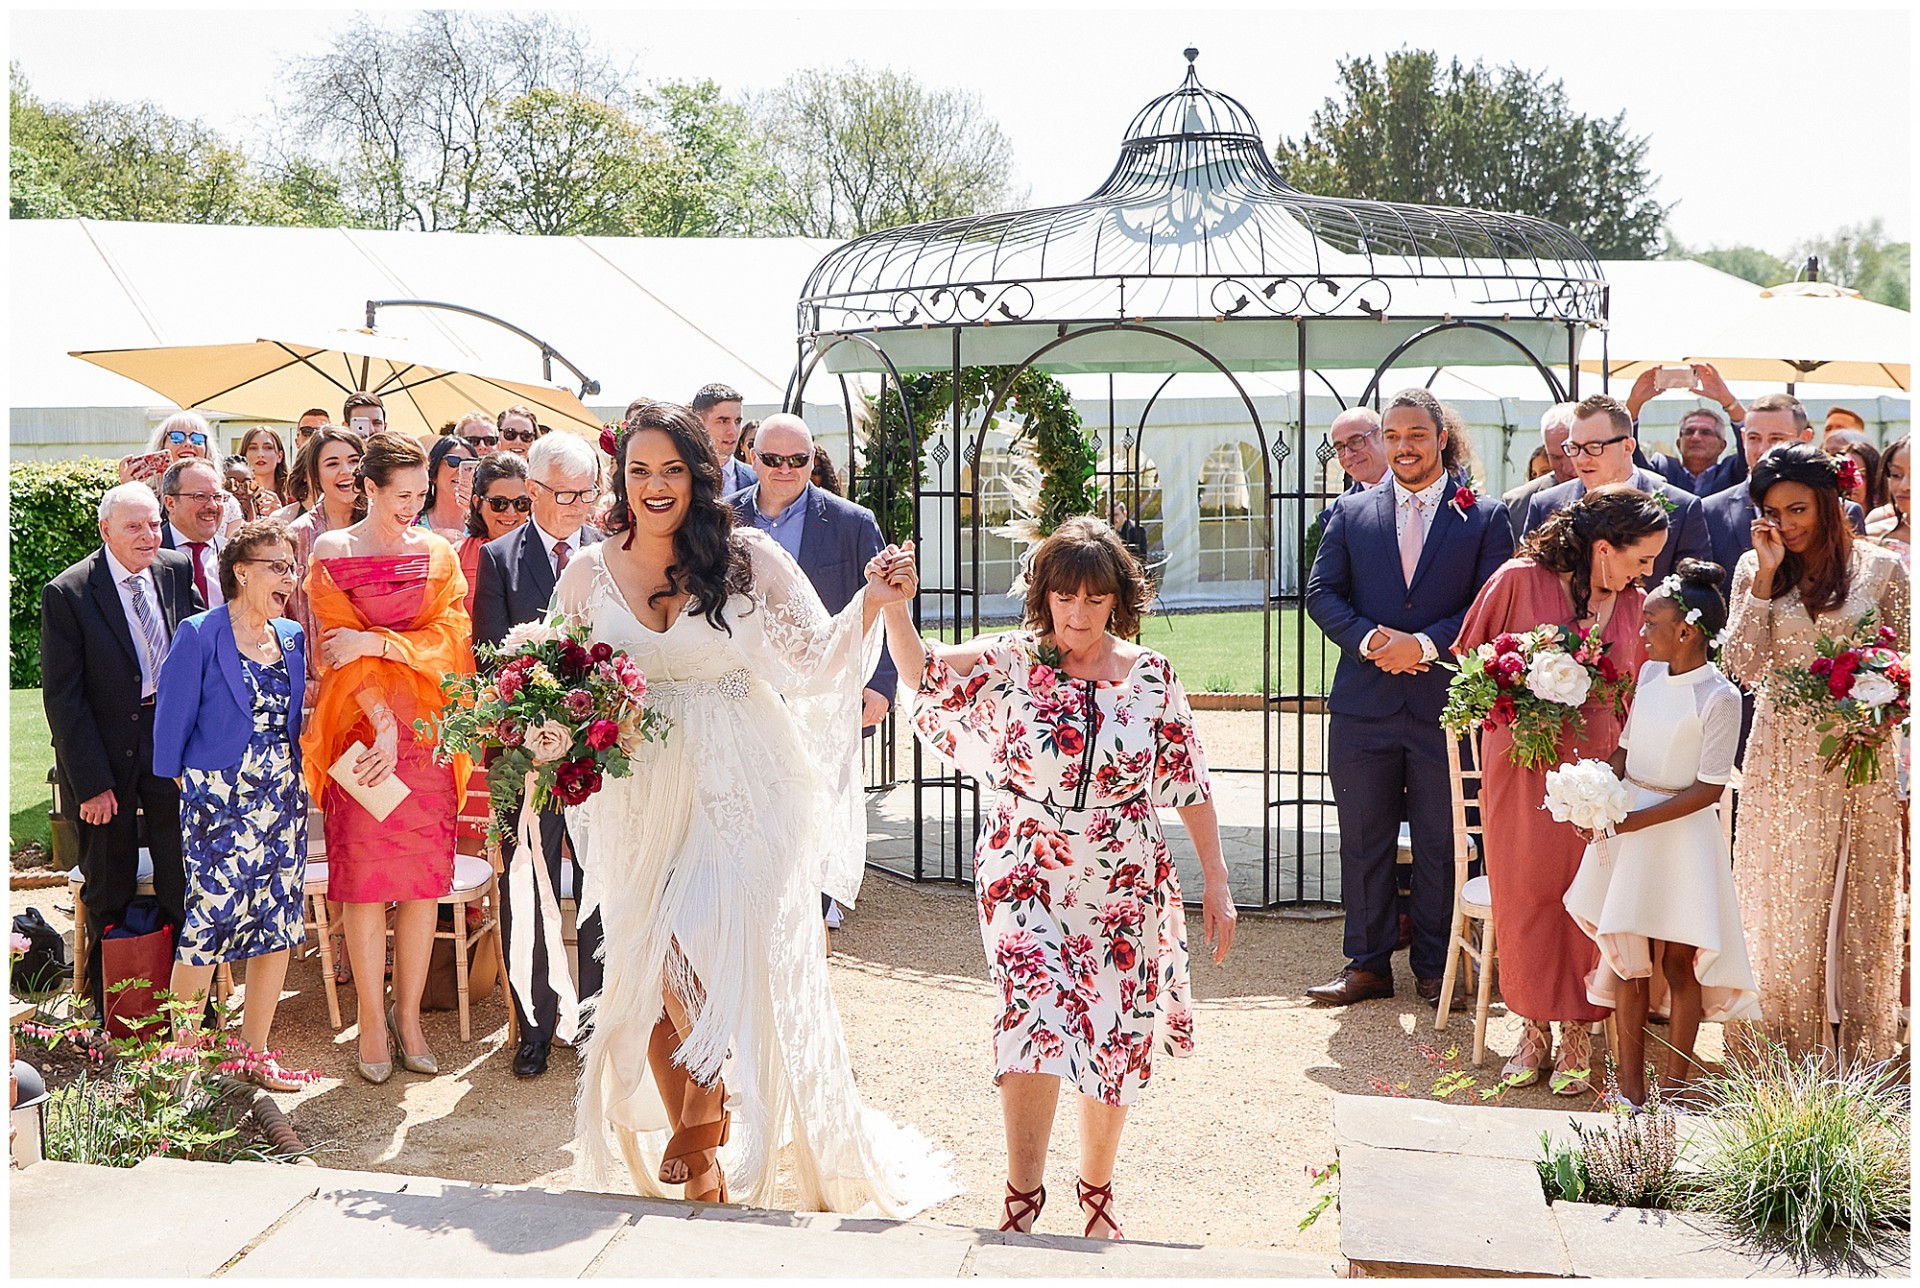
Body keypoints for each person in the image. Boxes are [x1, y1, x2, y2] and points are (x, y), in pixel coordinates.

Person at [557, 401, 955, 1215]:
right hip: (642, 789)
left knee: (687, 942)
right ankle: (704, 1172)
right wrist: (544, 727)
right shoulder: (588, 571)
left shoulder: (747, 557)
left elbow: (813, 661)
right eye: (639, 471)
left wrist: (874, 604)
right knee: (657, 969)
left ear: (699, 476)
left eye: (671, 469)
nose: (655, 486)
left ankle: (704, 1128)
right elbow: (555, 679)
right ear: (619, 479)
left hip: (745, 779)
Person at [882, 516, 1233, 1238]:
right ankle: (1022, 1195)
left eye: (1093, 600)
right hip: (1023, 861)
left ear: (1118, 602)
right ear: (1043, 596)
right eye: (1064, 597)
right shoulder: (1013, 659)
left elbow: (1189, 782)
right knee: (1033, 1016)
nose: (1076, 614)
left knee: (1113, 1031)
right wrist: (894, 606)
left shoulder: (1151, 677)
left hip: (1122, 873)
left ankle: (1097, 1191)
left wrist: (1218, 881)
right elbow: (921, 673)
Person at [1304, 388, 1514, 1007]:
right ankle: (1365, 965)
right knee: (1362, 837)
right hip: (1363, 705)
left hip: (1443, 707)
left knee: (1441, 840)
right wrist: (1371, 640)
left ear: (1441, 438)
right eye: (1392, 436)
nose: (1403, 447)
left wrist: (1423, 645)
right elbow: (1321, 593)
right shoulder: (1350, 512)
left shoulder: (1484, 516)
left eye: (1415, 435)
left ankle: (1433, 965)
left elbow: (1489, 606)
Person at [1456, 486, 1668, 1093]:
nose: (1647, 573)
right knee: (1525, 892)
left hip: (1601, 767)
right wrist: (1522, 682)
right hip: (1523, 763)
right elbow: (1471, 668)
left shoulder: (1634, 603)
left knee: (1587, 891)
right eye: (1640, 559)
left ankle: (1578, 1028)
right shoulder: (1519, 579)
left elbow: (1642, 684)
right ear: (1604, 548)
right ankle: (1530, 1029)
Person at [1723, 444, 1908, 1063]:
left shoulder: (1885, 570)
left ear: (1829, 504)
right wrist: (1766, 578)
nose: (1787, 524)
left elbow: (1907, 665)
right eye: (1773, 512)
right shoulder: (1756, 565)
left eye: (1798, 509)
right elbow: (1742, 667)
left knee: (1859, 898)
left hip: (1862, 753)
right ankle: (1784, 1052)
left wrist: (1879, 706)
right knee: (1787, 900)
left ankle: (1860, 1054)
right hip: (1782, 758)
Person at [303, 430, 473, 1084]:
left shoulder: (438, 553)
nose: (412, 505)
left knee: (422, 883)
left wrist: (381, 642)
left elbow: (451, 638)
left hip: (426, 737)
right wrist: (380, 722)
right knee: (366, 884)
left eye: (421, 493)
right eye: (400, 494)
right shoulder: (330, 550)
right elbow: (334, 651)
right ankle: (371, 1020)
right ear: (367, 488)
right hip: (358, 735)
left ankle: (409, 1018)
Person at [1561, 560, 1761, 1107]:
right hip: (1630, 828)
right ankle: (1629, 1085)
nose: (1642, 632)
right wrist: (1596, 792)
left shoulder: (1720, 697)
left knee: (1676, 962)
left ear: (1686, 630)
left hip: (1679, 837)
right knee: (1626, 957)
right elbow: (1627, 749)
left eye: (1651, 623)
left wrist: (1632, 820)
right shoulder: (1649, 676)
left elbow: (1708, 788)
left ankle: (1675, 1085)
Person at [152, 520, 311, 1092]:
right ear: (241, 570)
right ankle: (182, 1065)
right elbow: (168, 732)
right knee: (205, 927)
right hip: (218, 804)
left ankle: (254, 1054)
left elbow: (291, 719)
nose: (288, 578)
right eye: (277, 566)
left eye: (291, 567)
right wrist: (203, 793)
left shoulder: (291, 635)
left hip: (282, 802)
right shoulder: (199, 632)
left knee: (278, 925)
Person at [727, 413, 894, 942]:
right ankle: (759, 890)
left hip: (824, 687)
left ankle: (819, 897)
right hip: (748, 685)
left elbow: (883, 606)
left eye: (797, 460)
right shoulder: (722, 520)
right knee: (753, 790)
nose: (785, 469)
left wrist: (881, 682)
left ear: (812, 460)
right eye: (772, 459)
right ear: (752, 457)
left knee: (819, 787)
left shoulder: (851, 522)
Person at [473, 430, 606, 1081]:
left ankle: (598, 1023)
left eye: (587, 494)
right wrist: (529, 734)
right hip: (518, 755)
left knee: (599, 885)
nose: (579, 507)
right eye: (566, 495)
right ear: (532, 492)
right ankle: (534, 1025)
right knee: (525, 886)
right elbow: (490, 658)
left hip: (596, 753)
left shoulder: (611, 558)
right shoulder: (498, 558)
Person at [42, 484, 203, 1012]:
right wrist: (91, 783)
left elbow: (200, 647)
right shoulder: (69, 592)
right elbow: (63, 698)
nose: (148, 536)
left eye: (155, 524)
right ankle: (102, 1012)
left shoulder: (176, 568)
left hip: (171, 741)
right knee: (107, 883)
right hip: (105, 755)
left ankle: (189, 1006)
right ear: (105, 529)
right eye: (135, 526)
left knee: (181, 875)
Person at [1523, 394, 1711, 584]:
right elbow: (1532, 583)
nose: (1581, 459)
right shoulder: (1545, 505)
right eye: (1574, 447)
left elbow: (1691, 594)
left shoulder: (1682, 508)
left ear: (1628, 447)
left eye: (1594, 447)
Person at [1700, 394, 1867, 603]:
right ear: (1742, 439)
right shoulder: (1709, 510)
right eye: (1754, 438)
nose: (1762, 449)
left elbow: (1860, 589)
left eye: (1776, 439)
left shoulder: (1845, 511)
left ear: (1804, 439)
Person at [1623, 361, 1748, 496]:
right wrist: (1634, 403)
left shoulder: (1733, 472)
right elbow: (1625, 452)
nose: (1695, 437)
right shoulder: (1662, 470)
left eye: (1706, 432)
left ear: (1722, 445)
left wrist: (1727, 400)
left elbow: (1751, 439)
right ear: (1678, 443)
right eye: (1689, 432)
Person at [458, 452, 529, 617]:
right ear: (478, 504)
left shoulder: (547, 553)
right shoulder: (456, 556)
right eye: (499, 503)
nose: (511, 512)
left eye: (521, 503)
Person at [159, 458, 230, 610]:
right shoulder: (150, 554)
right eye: (200, 496)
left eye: (218, 497)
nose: (212, 505)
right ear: (170, 503)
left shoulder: (232, 552)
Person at [1501, 404, 1579, 541]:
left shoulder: (1618, 491)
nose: (1567, 467)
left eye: (1573, 452)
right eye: (1556, 457)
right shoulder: (1518, 504)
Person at [692, 382, 752, 494]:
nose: (733, 431)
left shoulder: (757, 480)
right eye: (723, 421)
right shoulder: (684, 477)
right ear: (699, 422)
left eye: (738, 421)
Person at [419, 435, 478, 539]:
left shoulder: (483, 525)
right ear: (433, 474)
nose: (461, 470)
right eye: (453, 461)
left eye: (469, 464)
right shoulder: (412, 523)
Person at [239, 428, 289, 513]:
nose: (260, 454)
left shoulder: (295, 497)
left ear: (279, 456)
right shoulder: (235, 496)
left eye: (268, 448)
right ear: (244, 456)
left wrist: (281, 515)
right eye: (253, 448)